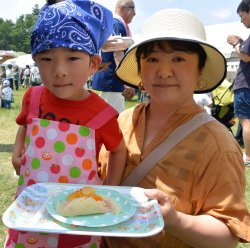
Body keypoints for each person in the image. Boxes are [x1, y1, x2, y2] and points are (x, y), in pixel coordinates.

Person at [100, 9, 250, 248]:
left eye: (179, 59)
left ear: (200, 71)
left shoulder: (218, 143)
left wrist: (174, 219)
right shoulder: (122, 122)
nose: (163, 72)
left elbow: (227, 236)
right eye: (152, 59)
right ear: (140, 71)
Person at [6, 1, 126, 247]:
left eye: (72, 58)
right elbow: (24, 125)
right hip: (32, 214)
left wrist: (109, 190)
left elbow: (119, 150)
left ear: (93, 63)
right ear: (36, 61)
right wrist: (17, 152)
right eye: (47, 59)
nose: (59, 70)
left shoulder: (103, 114)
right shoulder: (33, 97)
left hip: (78, 218)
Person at [92, 0, 136, 113]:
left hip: (108, 78)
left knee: (105, 117)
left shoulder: (110, 23)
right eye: (132, 8)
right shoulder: (117, 24)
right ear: (122, 8)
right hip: (112, 81)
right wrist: (127, 81)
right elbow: (118, 54)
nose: (134, 13)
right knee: (115, 120)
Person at [227, 0, 250, 166]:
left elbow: (245, 56)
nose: (241, 20)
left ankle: (248, 157)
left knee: (246, 121)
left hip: (245, 85)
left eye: (242, 16)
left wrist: (236, 44)